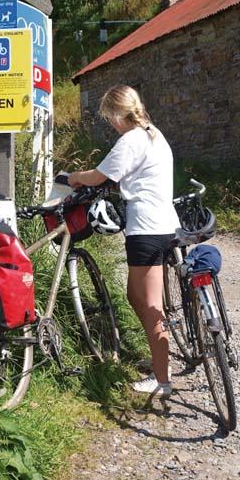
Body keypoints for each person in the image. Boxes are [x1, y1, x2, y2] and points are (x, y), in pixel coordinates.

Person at [68, 85, 180, 397]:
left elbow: (99, 176)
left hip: (146, 228)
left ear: (118, 114)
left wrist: (75, 176)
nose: (110, 124)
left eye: (109, 118)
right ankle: (161, 359)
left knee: (150, 304)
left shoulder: (130, 140)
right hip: (165, 224)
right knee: (135, 295)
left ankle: (162, 380)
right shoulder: (154, 134)